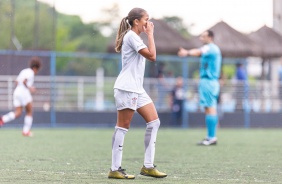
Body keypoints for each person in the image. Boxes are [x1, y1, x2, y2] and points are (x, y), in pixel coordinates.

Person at [108, 8, 167, 179]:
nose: (148, 23)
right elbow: (152, 56)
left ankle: (148, 166)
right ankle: (115, 168)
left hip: (137, 89)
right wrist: (151, 34)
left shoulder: (135, 37)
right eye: (146, 20)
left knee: (154, 122)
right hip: (127, 88)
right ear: (136, 22)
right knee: (122, 127)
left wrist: (148, 34)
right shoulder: (132, 37)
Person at [178, 30, 222, 146]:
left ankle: (212, 137)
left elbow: (198, 52)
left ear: (210, 37)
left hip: (209, 82)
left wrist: (186, 52)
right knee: (208, 108)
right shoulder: (211, 48)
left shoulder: (210, 48)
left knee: (210, 108)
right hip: (208, 81)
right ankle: (210, 137)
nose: (201, 38)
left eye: (204, 36)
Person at [0, 57, 42, 137]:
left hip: (17, 92)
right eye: (37, 70)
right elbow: (24, 81)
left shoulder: (24, 71)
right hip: (23, 92)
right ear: (35, 68)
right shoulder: (31, 73)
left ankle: (3, 119)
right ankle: (26, 131)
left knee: (18, 113)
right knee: (29, 111)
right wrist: (30, 88)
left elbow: (16, 81)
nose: (36, 72)